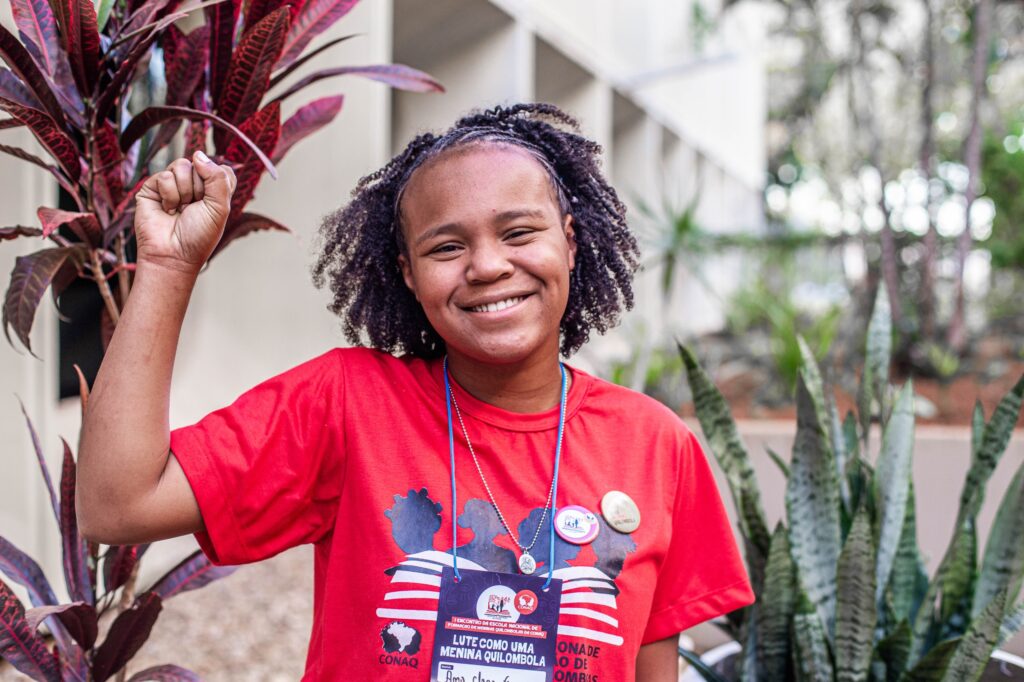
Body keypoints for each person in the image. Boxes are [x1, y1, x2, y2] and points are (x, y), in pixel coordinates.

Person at [78, 103, 754, 681]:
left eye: (519, 232)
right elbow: (116, 505)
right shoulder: (347, 406)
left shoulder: (656, 445)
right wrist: (168, 266)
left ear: (570, 243)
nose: (489, 266)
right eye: (446, 248)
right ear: (407, 273)